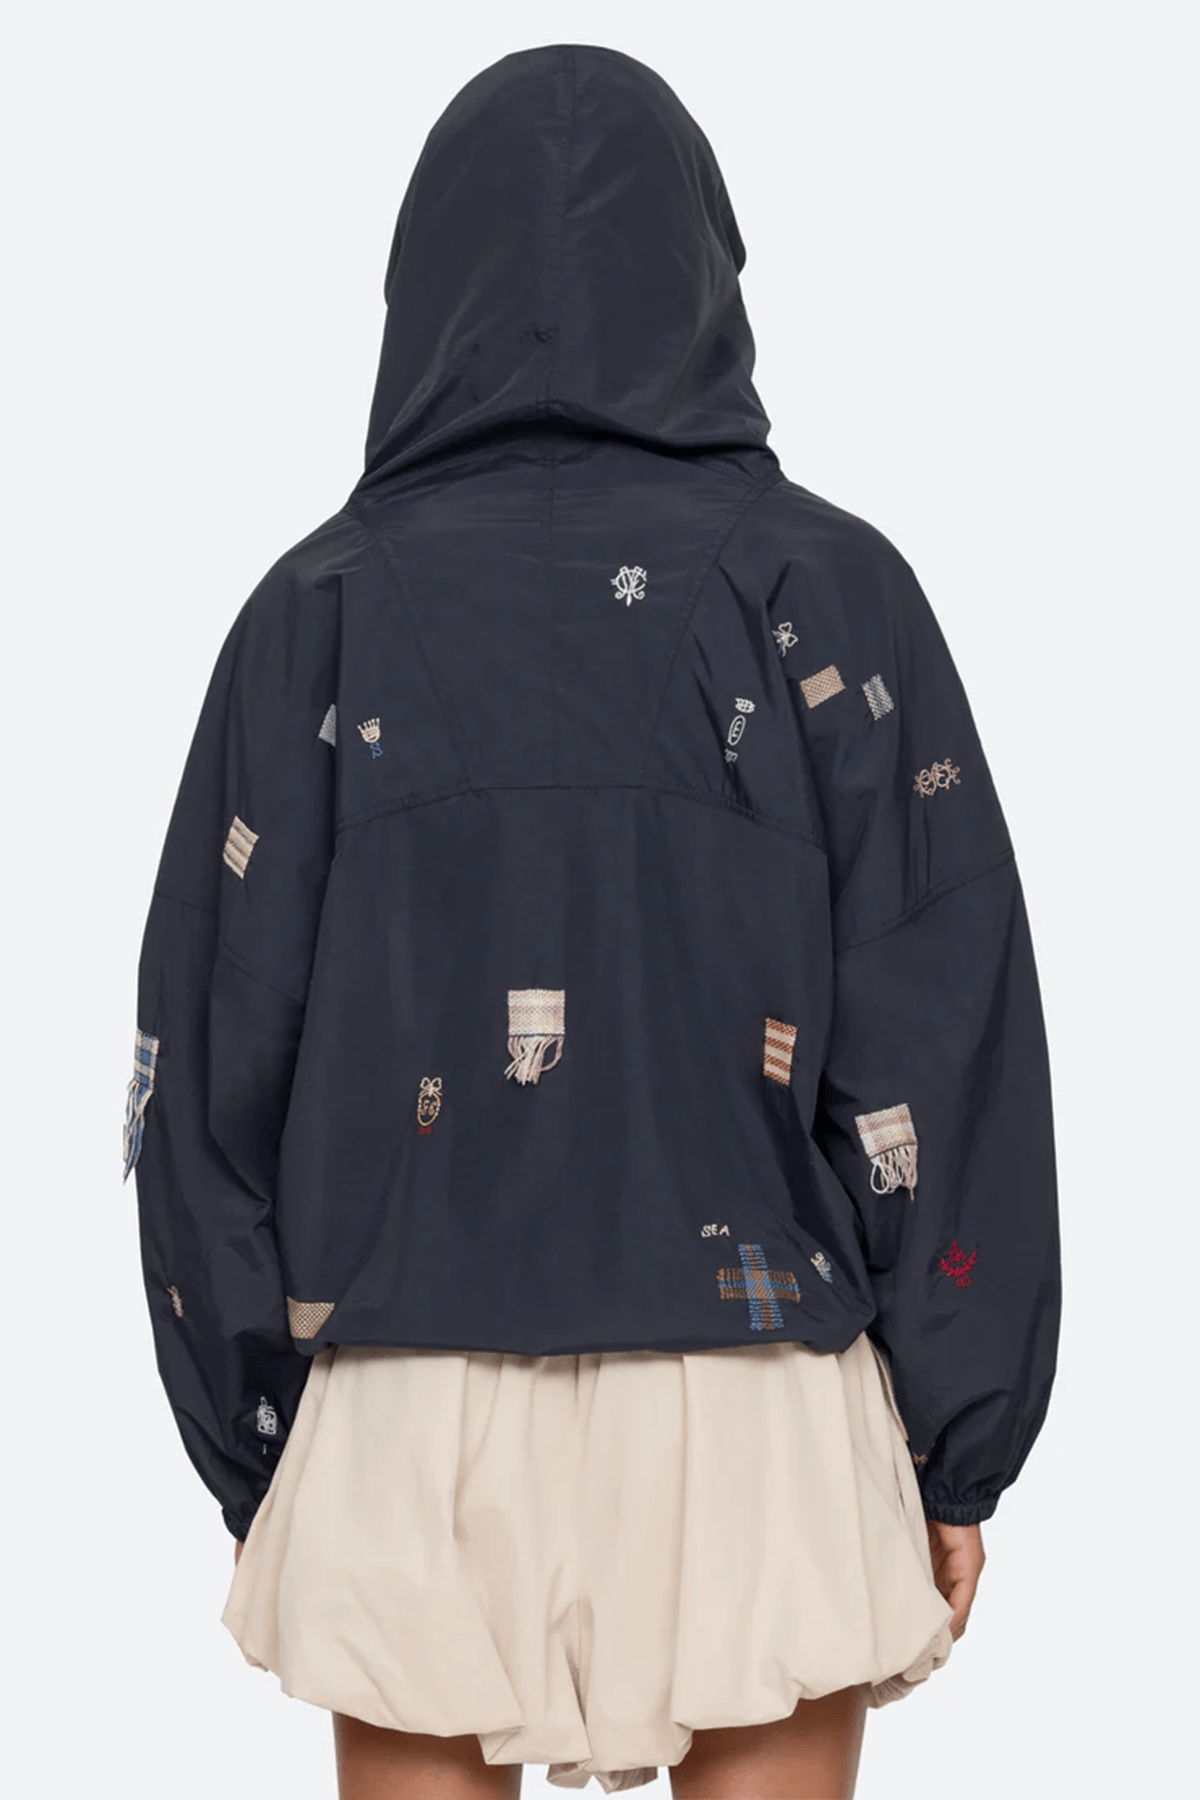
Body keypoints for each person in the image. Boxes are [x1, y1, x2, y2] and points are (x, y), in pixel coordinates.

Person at [125, 42, 1061, 1800]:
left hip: (405, 1382)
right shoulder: (827, 589)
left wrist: (257, 1430)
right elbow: (944, 1023)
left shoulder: (313, 612)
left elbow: (209, 1053)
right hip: (760, 1384)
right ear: (706, 267)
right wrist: (959, 1437)